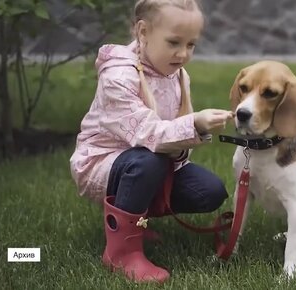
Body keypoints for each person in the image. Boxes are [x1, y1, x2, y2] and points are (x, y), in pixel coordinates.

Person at [69, 0, 233, 284]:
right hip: (104, 163)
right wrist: (195, 123)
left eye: (191, 45)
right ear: (143, 32)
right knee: (148, 160)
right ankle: (121, 254)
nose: (183, 54)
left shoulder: (178, 75)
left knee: (210, 191)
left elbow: (172, 144)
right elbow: (149, 134)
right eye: (173, 42)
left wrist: (190, 135)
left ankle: (136, 220)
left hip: (151, 159)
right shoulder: (118, 76)